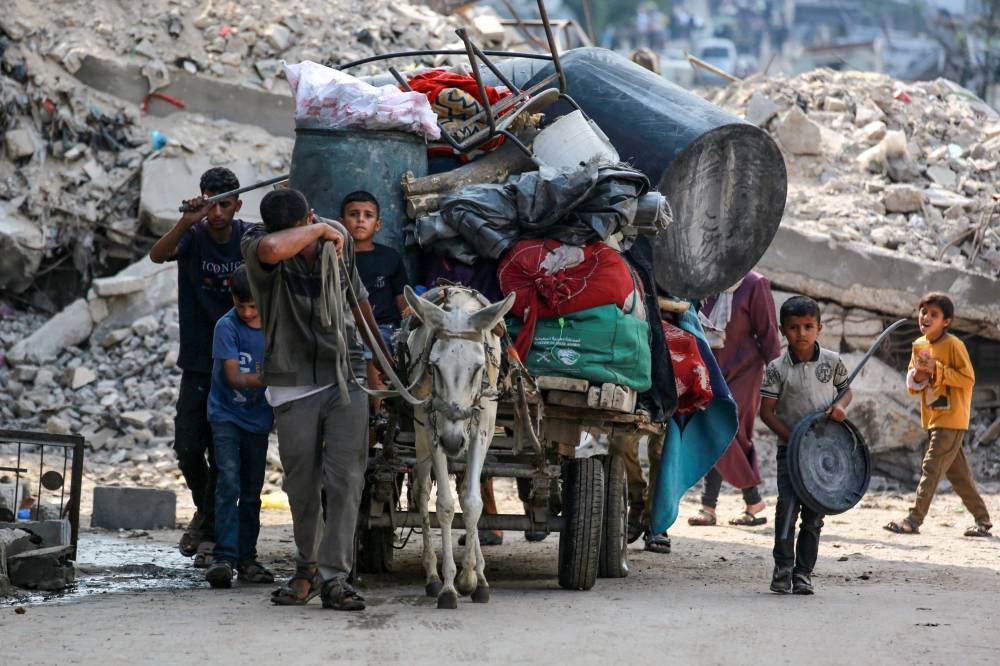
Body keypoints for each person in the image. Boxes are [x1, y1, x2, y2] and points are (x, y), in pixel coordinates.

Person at [242, 188, 390, 611]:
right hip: (292, 381)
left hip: (345, 374)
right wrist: (318, 228)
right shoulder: (260, 243)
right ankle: (305, 568)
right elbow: (272, 248)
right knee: (302, 485)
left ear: (309, 212)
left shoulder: (337, 243)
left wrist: (381, 358)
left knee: (346, 481)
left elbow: (358, 301)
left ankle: (335, 578)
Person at [149, 167, 254, 567]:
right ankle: (206, 515)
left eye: (224, 204)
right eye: (210, 203)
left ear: (237, 204)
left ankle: (212, 531)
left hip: (240, 359)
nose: (217, 213)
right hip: (198, 361)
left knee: (224, 449)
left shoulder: (248, 237)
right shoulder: (192, 236)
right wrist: (185, 221)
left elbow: (275, 247)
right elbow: (157, 254)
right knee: (189, 446)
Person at [759, 295, 852, 595]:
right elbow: (766, 411)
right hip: (791, 451)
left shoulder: (832, 361)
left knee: (814, 515)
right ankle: (782, 568)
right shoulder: (776, 368)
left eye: (808, 326)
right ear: (783, 330)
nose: (801, 333)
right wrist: (794, 439)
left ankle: (803, 574)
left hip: (824, 452)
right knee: (787, 508)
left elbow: (845, 392)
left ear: (819, 328)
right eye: (794, 327)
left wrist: (840, 407)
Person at [884, 293, 991, 538]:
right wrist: (920, 376)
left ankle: (913, 519)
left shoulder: (954, 345)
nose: (926, 317)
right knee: (959, 475)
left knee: (931, 467)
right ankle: (983, 521)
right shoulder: (919, 345)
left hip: (951, 419)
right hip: (933, 418)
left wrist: (938, 370)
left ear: (946, 321)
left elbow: (968, 379)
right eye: (923, 312)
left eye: (934, 314)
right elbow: (913, 383)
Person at [689, 272, 781, 527]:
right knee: (713, 431)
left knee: (727, 432)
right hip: (709, 369)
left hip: (745, 371)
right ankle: (746, 504)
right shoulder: (704, 279)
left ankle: (717, 505)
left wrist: (778, 379)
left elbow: (769, 333)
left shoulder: (754, 283)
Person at [204, 266, 275, 589]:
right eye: (240, 305)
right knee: (228, 482)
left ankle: (247, 557)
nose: (247, 312)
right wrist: (273, 379)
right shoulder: (226, 327)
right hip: (226, 416)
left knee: (252, 491)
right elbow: (233, 377)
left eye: (253, 306)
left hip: (258, 419)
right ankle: (224, 557)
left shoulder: (275, 325)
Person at [342, 190, 410, 409]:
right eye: (354, 214)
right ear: (341, 223)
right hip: (346, 328)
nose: (361, 219)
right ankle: (375, 415)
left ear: (377, 225)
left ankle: (379, 414)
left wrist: (411, 318)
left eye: (368, 215)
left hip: (385, 327)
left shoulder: (389, 257)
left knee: (372, 350)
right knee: (364, 348)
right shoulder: (335, 257)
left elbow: (402, 300)